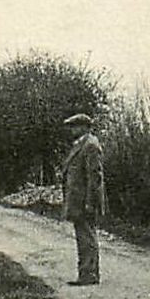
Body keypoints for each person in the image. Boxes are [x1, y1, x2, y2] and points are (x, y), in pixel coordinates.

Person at [59, 112, 106, 285]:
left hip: (84, 201)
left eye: (75, 126)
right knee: (83, 236)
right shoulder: (81, 144)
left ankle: (89, 274)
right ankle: (86, 272)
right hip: (78, 200)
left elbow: (95, 177)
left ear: (85, 127)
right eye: (72, 126)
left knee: (87, 237)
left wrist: (90, 202)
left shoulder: (90, 145)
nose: (72, 130)